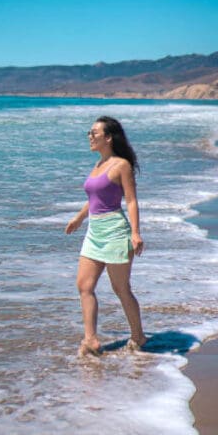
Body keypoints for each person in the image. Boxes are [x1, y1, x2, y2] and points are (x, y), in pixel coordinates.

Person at [65, 116, 147, 356]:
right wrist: (79, 218)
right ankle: (90, 340)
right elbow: (93, 200)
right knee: (84, 285)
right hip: (94, 231)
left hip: (115, 230)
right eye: (89, 133)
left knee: (120, 288)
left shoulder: (121, 165)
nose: (90, 137)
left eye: (94, 133)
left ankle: (139, 336)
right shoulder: (98, 165)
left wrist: (135, 232)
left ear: (108, 137)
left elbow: (131, 200)